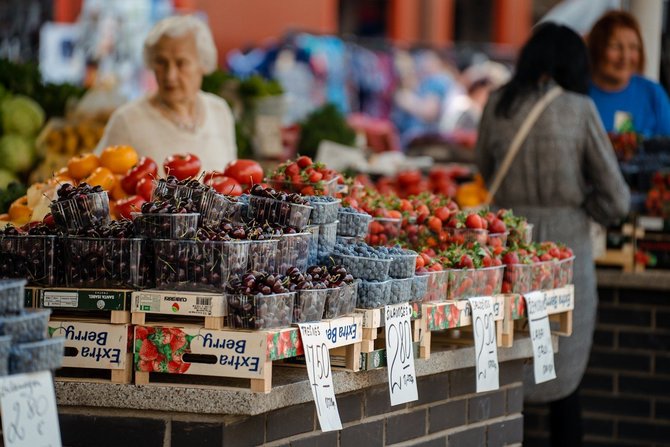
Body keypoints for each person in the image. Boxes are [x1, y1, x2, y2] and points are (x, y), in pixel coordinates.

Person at [475, 23, 630, 446]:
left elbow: (485, 170)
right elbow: (617, 199)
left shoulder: (497, 103)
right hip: (567, 255)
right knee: (566, 382)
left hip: (506, 251)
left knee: (506, 368)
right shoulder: (580, 110)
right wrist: (582, 208)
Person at [97, 15, 237, 171]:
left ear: (203, 63)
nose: (170, 75)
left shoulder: (219, 111)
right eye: (161, 62)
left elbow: (231, 181)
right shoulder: (126, 121)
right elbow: (98, 184)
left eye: (181, 63)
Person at [587, 10, 670, 137]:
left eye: (633, 47)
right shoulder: (578, 94)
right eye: (615, 46)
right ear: (596, 49)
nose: (625, 57)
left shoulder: (653, 94)